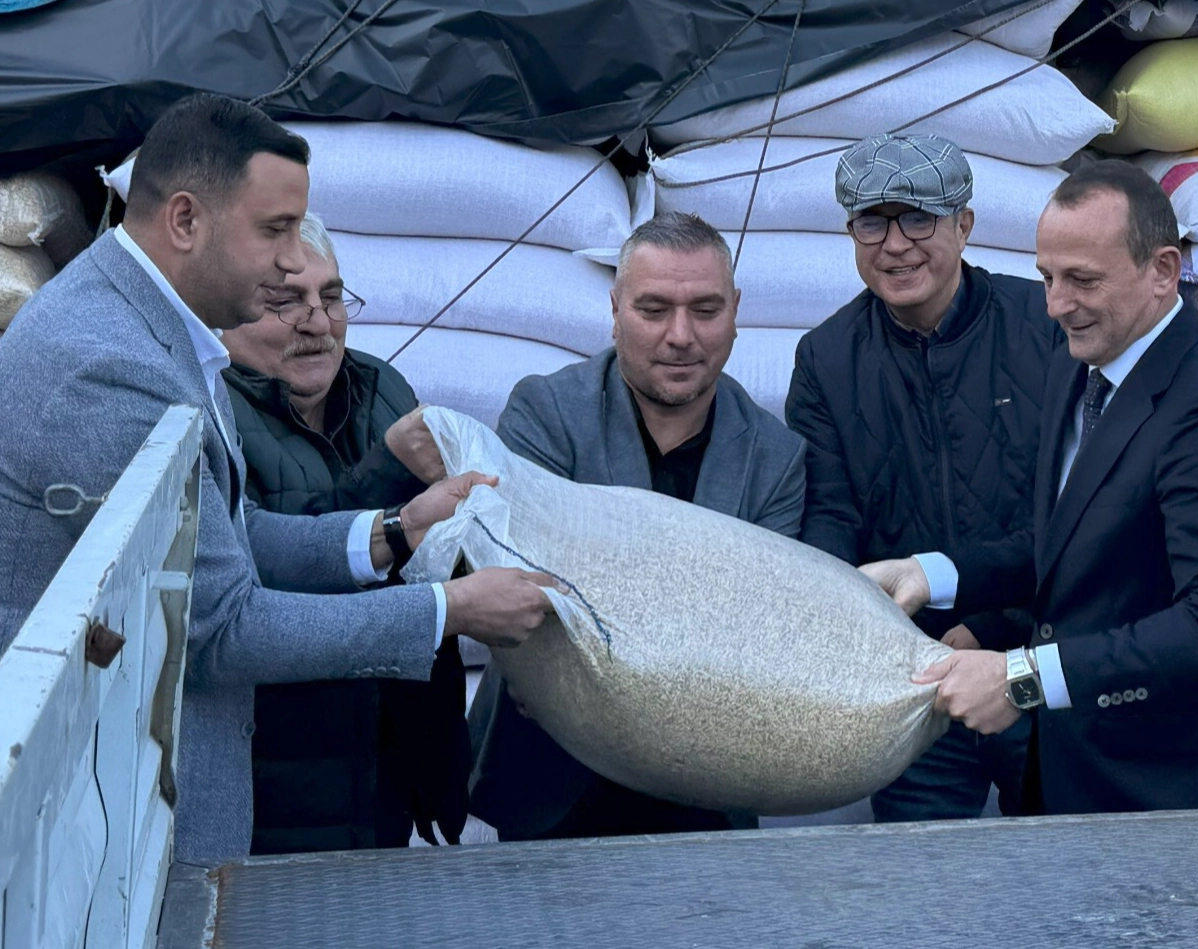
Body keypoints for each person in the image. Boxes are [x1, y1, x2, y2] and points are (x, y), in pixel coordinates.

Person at [0, 93, 558, 861]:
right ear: (186, 220)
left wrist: (391, 532)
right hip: (97, 836)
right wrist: (447, 610)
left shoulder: (158, 332)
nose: (295, 260)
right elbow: (221, 627)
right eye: (274, 230)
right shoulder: (109, 367)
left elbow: (223, 531)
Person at [914, 160, 1198, 814]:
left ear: (1163, 271)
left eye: (1083, 280)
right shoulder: (1083, 364)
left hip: (1177, 800)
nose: (1056, 304)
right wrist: (931, 575)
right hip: (1078, 778)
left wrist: (1024, 679)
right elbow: (1074, 545)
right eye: (1047, 278)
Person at [467, 211, 806, 841]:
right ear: (616, 310)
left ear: (736, 312)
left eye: (705, 310)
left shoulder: (775, 457)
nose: (681, 336)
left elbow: (758, 630)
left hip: (708, 779)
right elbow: (523, 585)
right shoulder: (546, 414)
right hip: (552, 769)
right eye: (654, 310)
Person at [785, 132, 1061, 822]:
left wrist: (985, 627)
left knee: (1063, 862)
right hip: (913, 676)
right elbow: (829, 516)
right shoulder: (826, 358)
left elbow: (1074, 512)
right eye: (871, 222)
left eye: (918, 219)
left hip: (1037, 659)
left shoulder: (1046, 329)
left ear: (964, 225)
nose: (895, 245)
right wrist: (864, 630)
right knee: (922, 873)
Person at [221, 213, 470, 854]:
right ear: (228, 307)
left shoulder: (382, 388)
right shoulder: (210, 412)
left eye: (331, 297)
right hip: (277, 784)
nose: (319, 322)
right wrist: (387, 474)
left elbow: (428, 564)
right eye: (286, 302)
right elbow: (256, 568)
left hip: (386, 768)